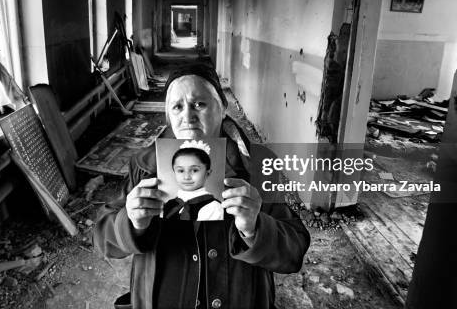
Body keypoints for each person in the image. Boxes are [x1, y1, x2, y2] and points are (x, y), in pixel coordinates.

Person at [94, 63, 310, 309]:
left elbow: (293, 254)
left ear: (223, 109)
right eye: (177, 107)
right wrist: (131, 223)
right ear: (168, 116)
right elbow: (103, 240)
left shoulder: (258, 166)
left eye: (199, 104)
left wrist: (255, 228)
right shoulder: (144, 166)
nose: (187, 116)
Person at [163, 141, 224, 221]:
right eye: (181, 171)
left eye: (195, 170)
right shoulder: (169, 205)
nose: (187, 177)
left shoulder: (214, 207)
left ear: (207, 173)